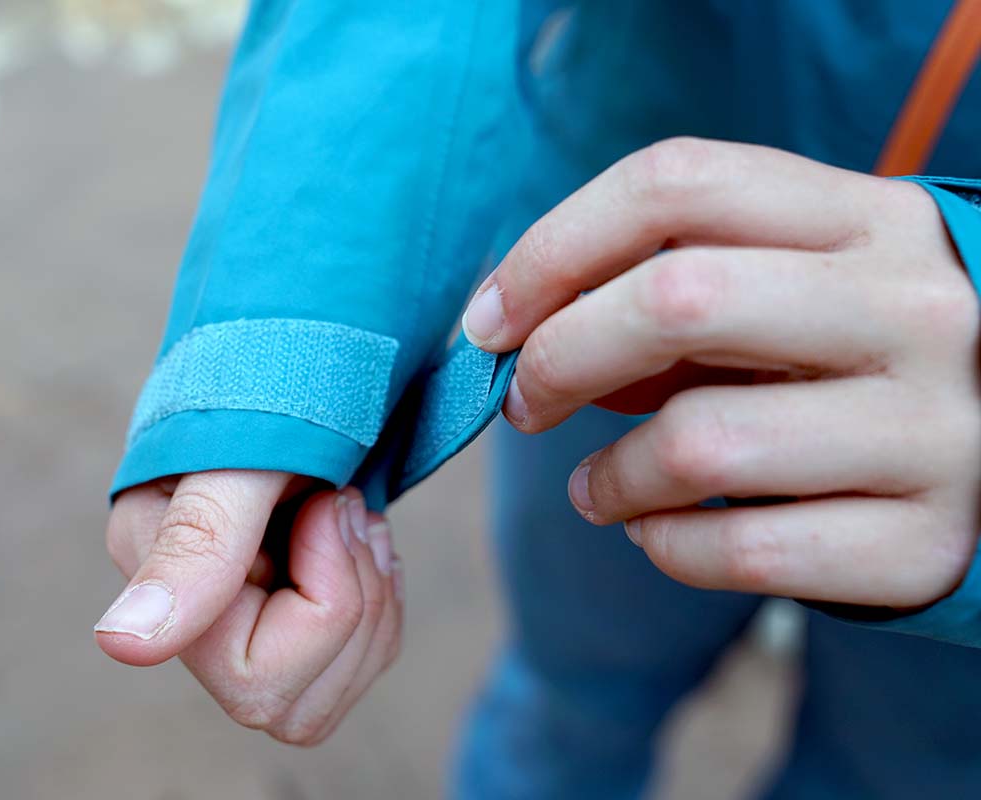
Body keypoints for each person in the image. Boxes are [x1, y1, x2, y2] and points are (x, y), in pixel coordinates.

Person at [95, 1, 981, 796]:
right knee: (574, 682)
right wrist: (268, 373)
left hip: (957, 526)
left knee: (902, 771)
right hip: (611, 323)